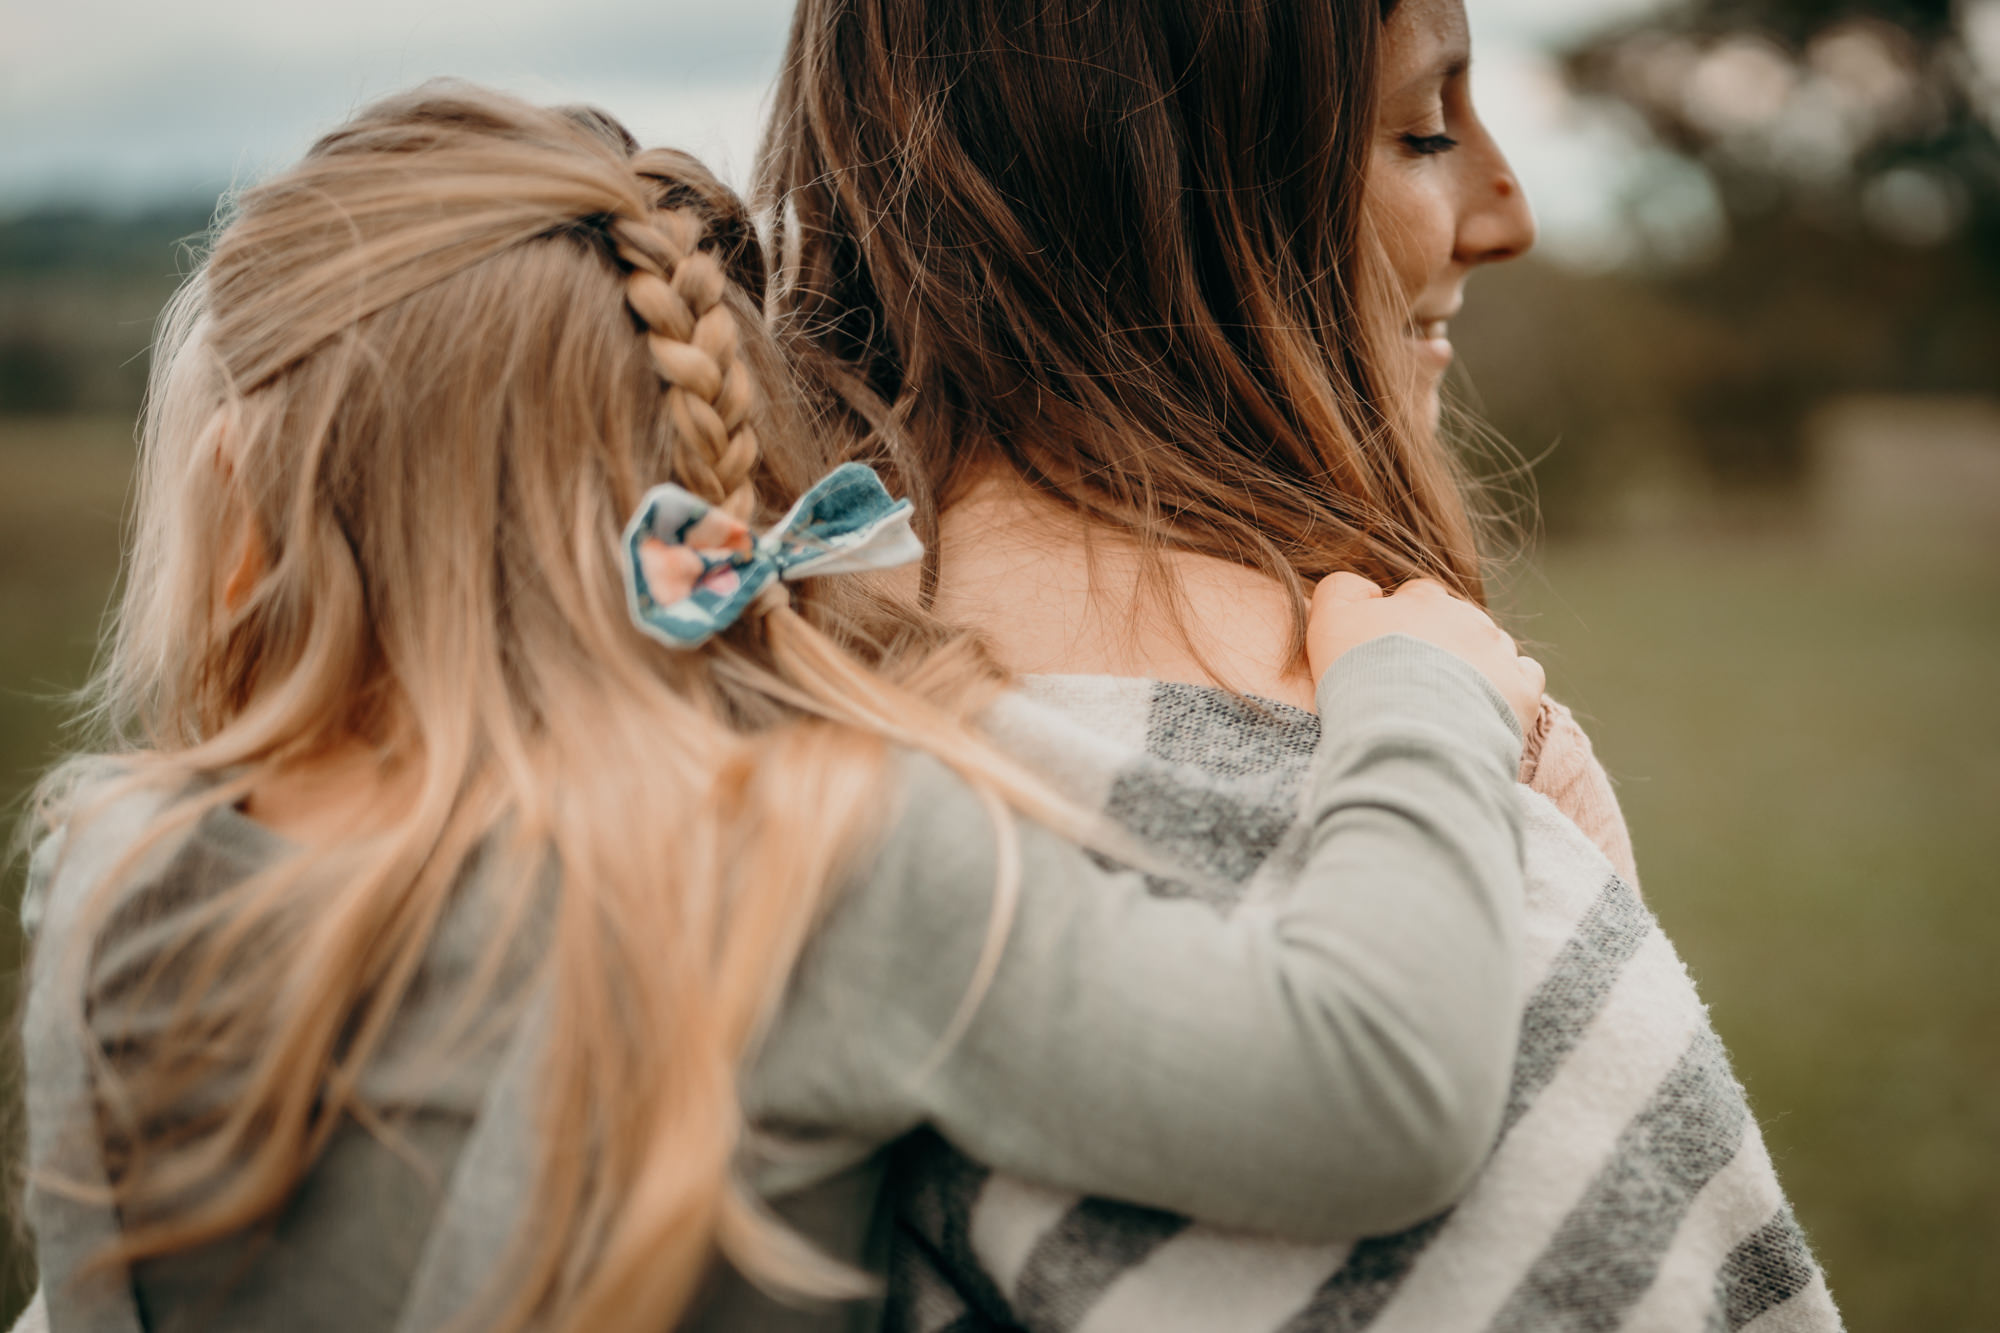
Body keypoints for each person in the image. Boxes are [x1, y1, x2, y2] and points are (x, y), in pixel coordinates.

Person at [14, 85, 1552, 1333]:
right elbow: (1372, 1081)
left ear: (245, 518)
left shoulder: (121, 873)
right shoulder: (812, 856)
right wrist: (1421, 688)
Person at [758, 0, 1844, 1328]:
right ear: (1166, 196)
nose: (1508, 215)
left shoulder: (723, 727)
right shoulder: (1422, 805)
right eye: (1424, 127)